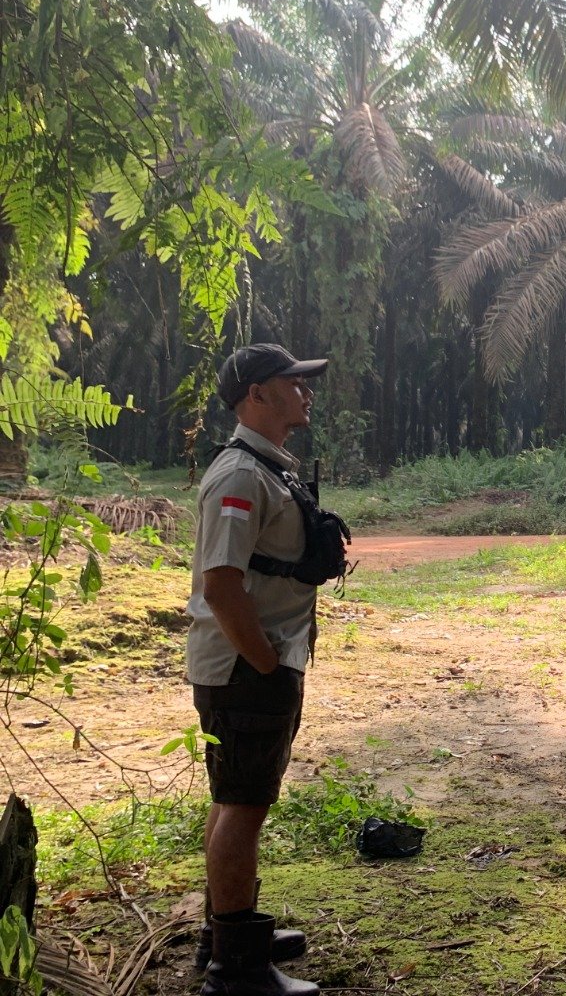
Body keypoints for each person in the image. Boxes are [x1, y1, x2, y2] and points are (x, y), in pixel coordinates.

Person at [189, 344, 331, 996]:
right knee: (243, 807)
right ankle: (235, 966)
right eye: (292, 382)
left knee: (237, 799)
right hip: (247, 668)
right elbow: (220, 586)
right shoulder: (240, 478)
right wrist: (267, 663)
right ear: (256, 395)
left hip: (257, 662)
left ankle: (227, 928)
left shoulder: (268, 469)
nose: (304, 391)